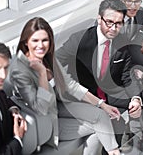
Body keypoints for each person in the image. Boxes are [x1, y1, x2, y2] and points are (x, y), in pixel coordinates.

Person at [9, 17, 121, 155]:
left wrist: (102, 104)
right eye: (35, 40)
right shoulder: (19, 70)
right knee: (100, 128)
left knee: (101, 116)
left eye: (45, 40)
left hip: (59, 105)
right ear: (26, 42)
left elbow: (70, 85)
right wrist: (43, 75)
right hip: (47, 122)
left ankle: (114, 152)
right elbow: (41, 108)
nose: (41, 45)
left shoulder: (48, 58)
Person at [56, 0, 143, 153]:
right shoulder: (80, 40)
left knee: (130, 109)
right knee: (111, 124)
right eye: (109, 22)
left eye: (119, 23)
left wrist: (136, 98)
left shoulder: (121, 42)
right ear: (99, 18)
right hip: (81, 97)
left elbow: (127, 76)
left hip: (107, 92)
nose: (114, 28)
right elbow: (54, 62)